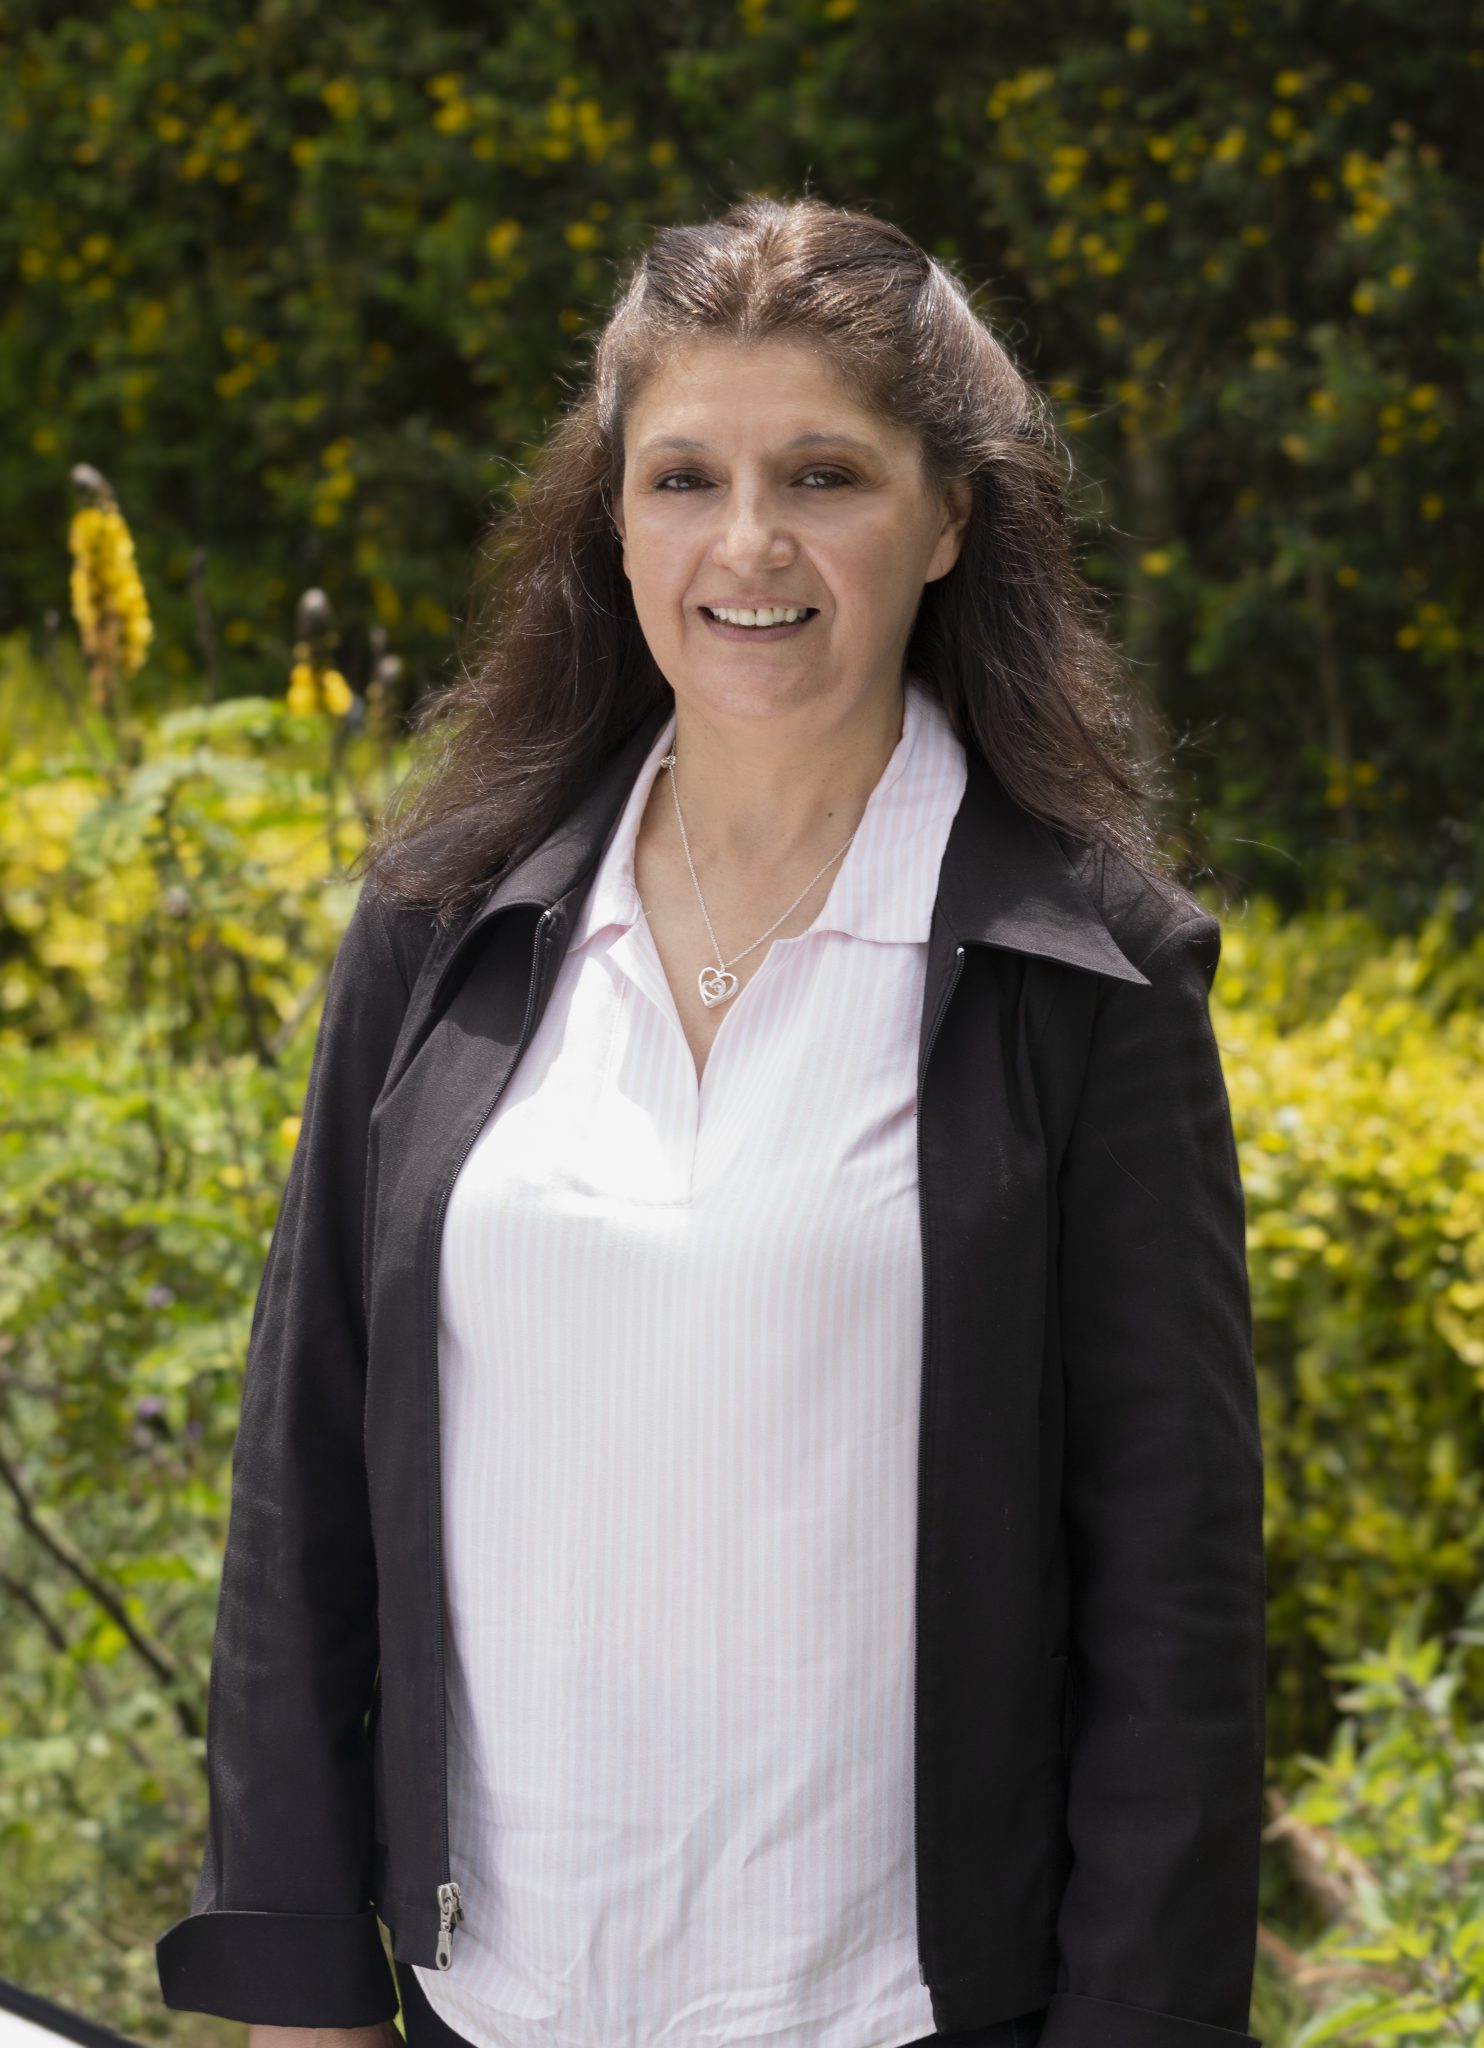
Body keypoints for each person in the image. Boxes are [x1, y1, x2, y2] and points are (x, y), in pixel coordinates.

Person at [155, 195, 1266, 2048]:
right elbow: (307, 1477)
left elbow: (1177, 1600)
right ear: (613, 517)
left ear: (949, 514)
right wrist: (303, 1987)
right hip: (486, 2005)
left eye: (824, 475)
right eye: (684, 479)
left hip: (899, 2019)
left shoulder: (1091, 976)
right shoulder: (443, 921)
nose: (748, 544)